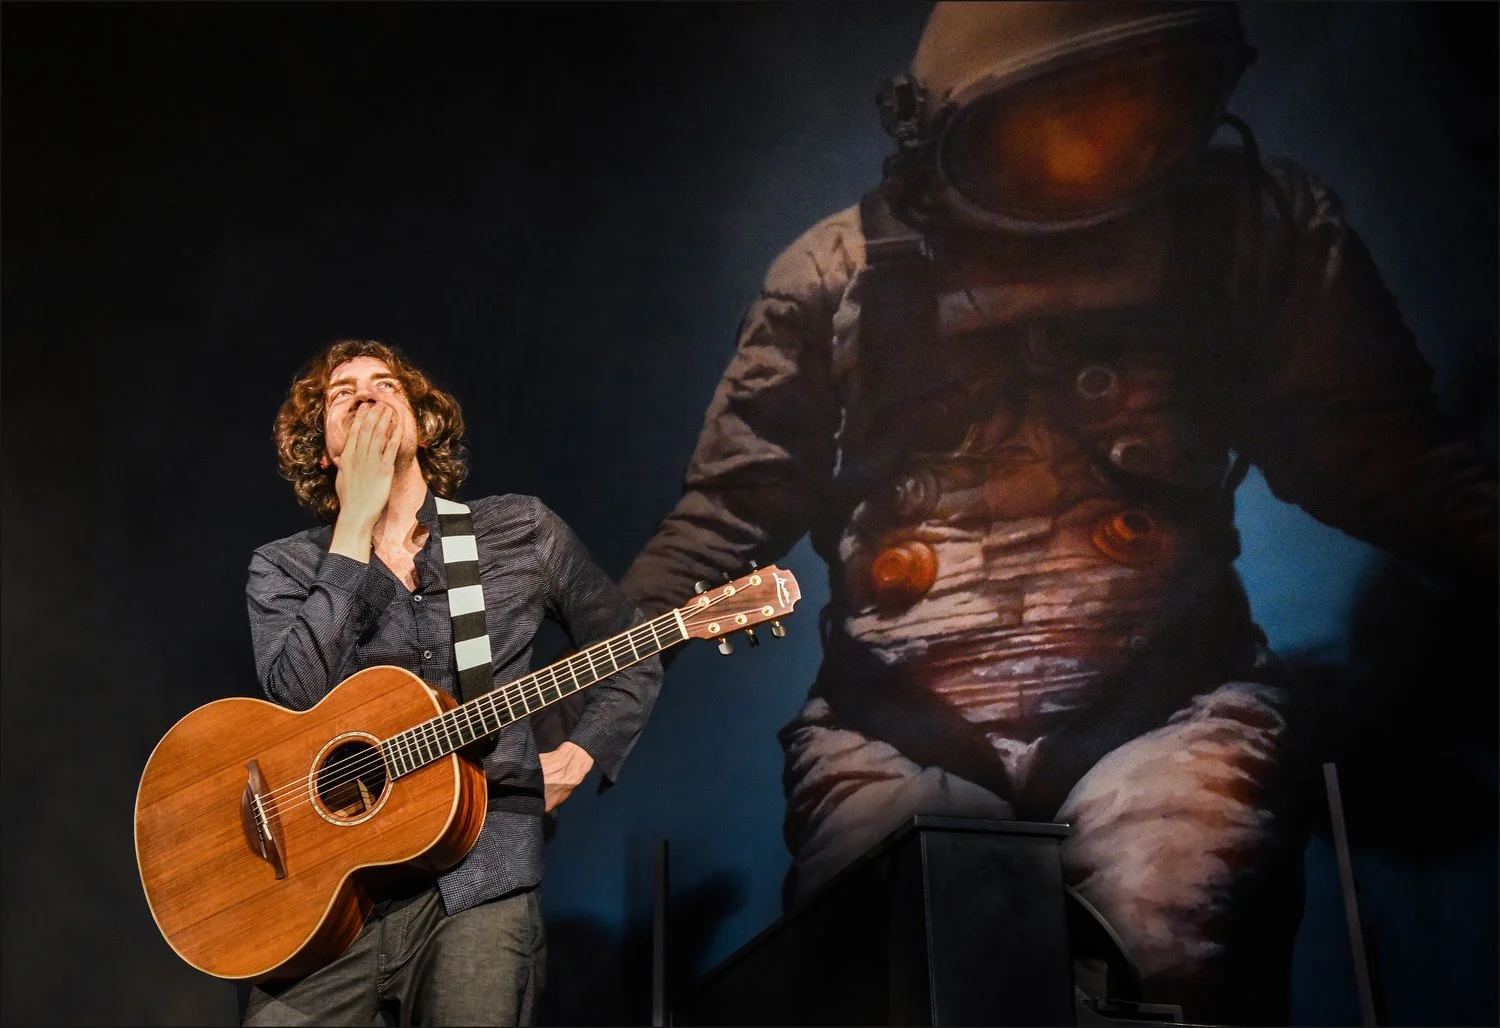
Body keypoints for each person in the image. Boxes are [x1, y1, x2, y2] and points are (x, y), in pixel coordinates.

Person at [612, 3, 1497, 1023]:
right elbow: (725, 519)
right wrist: (566, 690)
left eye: (1124, 102)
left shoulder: (1243, 233)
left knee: (1173, 950)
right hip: (897, 725)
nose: (1088, 143)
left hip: (1169, 704)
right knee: (900, 979)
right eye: (1052, 116)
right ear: (941, 127)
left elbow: (1386, 456)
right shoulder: (840, 278)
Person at [241, 338, 664, 1026]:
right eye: (341, 394)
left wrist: (584, 751)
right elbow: (295, 693)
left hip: (480, 880)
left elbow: (632, 649)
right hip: (326, 901)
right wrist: (354, 524)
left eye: (386, 386)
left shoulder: (519, 530)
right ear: (322, 449)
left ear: (422, 422)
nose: (366, 396)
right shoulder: (282, 567)